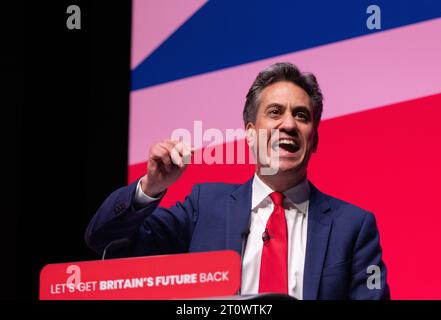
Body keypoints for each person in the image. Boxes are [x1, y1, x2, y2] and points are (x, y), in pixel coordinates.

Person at [85, 62, 389, 299]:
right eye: (274, 112)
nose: (288, 124)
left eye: (301, 116)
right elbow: (103, 239)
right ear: (250, 133)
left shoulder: (353, 226)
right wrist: (150, 188)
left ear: (315, 139)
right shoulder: (204, 207)